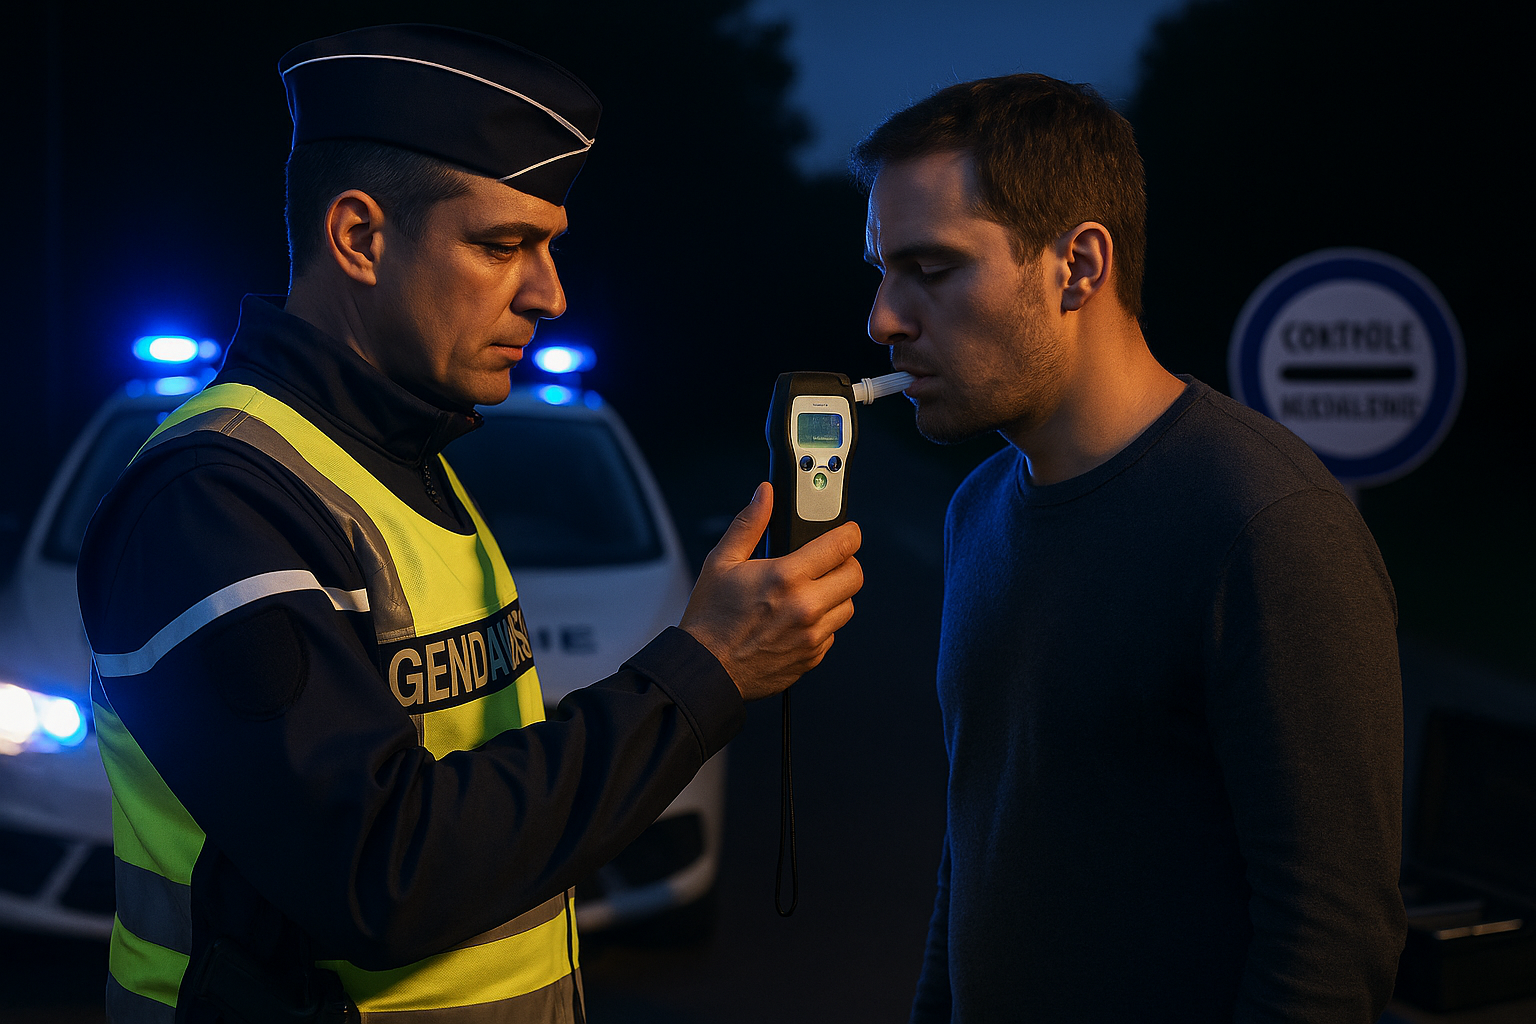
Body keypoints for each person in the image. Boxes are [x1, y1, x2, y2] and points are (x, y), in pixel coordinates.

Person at [77, 24, 862, 1024]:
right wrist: (704, 667)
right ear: (359, 236)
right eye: (502, 245)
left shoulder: (407, 456)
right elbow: (380, 870)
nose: (550, 294)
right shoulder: (211, 496)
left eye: (549, 248)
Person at [853, 75, 1404, 1023]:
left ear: (1078, 265)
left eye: (932, 270)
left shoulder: (1265, 526)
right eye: (881, 271)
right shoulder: (977, 510)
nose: (885, 320)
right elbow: (978, 841)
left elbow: (1330, 943)